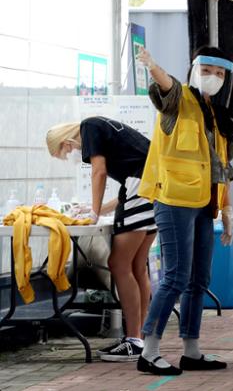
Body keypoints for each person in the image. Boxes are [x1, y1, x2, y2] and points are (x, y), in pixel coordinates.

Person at [135, 46, 233, 375]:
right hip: (174, 199)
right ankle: (148, 350)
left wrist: (227, 210)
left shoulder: (216, 113)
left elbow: (223, 167)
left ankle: (191, 350)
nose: (214, 78)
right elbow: (166, 85)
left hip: (204, 204)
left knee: (198, 279)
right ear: (194, 69)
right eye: (207, 70)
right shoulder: (179, 100)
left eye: (220, 74)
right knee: (175, 277)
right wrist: (153, 65)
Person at [46, 118, 156, 362]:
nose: (72, 157)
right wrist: (98, 209)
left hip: (142, 189)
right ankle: (141, 336)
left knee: (119, 264)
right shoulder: (104, 128)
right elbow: (130, 187)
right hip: (153, 188)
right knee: (138, 267)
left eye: (65, 154)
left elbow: (99, 171)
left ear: (66, 142)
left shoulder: (90, 127)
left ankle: (134, 340)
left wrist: (94, 213)